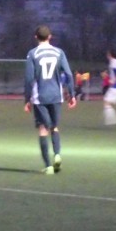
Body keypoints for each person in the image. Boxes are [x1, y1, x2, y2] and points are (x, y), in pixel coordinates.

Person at [24, 25, 77, 175]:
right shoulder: (59, 52)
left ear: (36, 37)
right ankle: (57, 154)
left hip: (40, 96)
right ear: (50, 37)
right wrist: (72, 94)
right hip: (56, 95)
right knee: (54, 126)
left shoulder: (32, 54)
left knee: (43, 129)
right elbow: (68, 74)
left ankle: (48, 166)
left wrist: (27, 99)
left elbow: (29, 78)